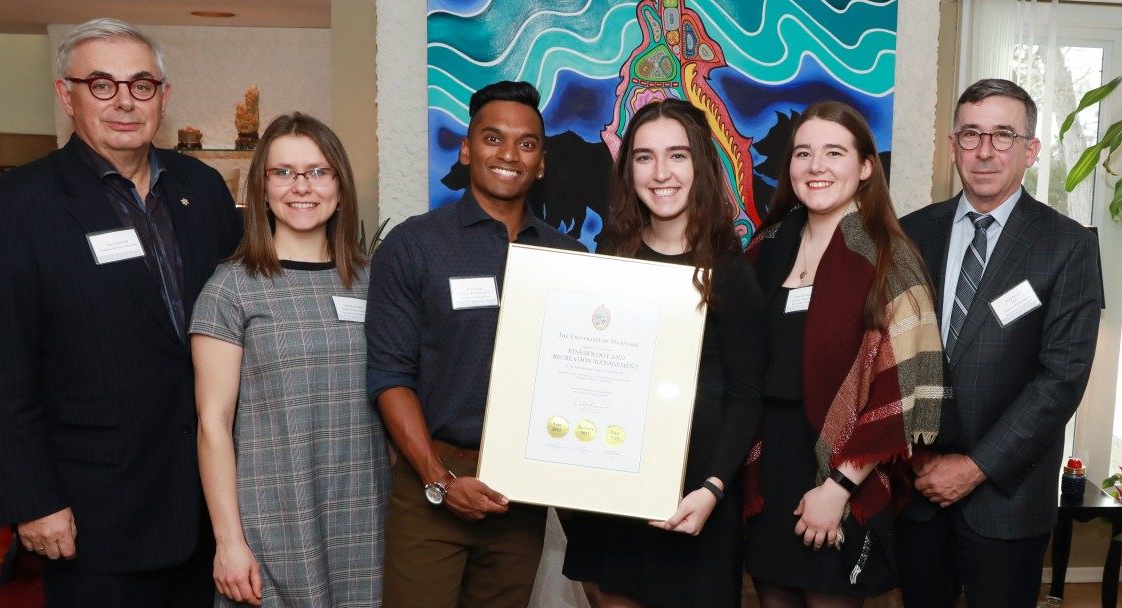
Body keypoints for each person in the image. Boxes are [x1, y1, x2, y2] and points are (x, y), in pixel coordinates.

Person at [0, 18, 242, 607]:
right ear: (66, 95)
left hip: (209, 502)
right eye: (102, 85)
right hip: (94, 511)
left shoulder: (202, 188)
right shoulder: (7, 211)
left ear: (164, 95)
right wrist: (32, 500)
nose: (125, 102)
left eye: (142, 84)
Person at [365, 80, 585, 607]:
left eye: (526, 143)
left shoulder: (569, 258)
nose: (509, 154)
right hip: (431, 486)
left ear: (542, 162)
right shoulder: (414, 245)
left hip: (521, 496)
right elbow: (389, 377)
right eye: (493, 138)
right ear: (466, 149)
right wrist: (439, 480)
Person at [896, 78, 1103, 608]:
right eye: (971, 135)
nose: (985, 151)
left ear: (1030, 150)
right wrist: (917, 457)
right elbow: (888, 350)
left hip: (1008, 498)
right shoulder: (911, 232)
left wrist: (973, 468)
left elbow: (1061, 379)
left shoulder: (1068, 244)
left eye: (1003, 135)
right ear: (952, 146)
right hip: (916, 492)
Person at [558, 99, 764, 608]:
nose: (661, 172)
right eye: (645, 157)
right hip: (611, 497)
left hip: (695, 500)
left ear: (700, 165)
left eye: (677, 155)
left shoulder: (732, 272)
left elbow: (746, 396)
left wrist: (712, 489)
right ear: (627, 170)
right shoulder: (608, 262)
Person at [741, 101, 945, 607]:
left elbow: (909, 382)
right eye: (803, 153)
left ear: (865, 167)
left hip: (841, 468)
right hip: (769, 463)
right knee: (774, 600)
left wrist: (836, 488)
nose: (816, 166)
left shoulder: (888, 258)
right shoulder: (766, 248)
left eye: (834, 152)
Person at [191, 112, 389, 608]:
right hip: (273, 522)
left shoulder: (374, 282)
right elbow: (212, 424)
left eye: (318, 171)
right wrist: (228, 543)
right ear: (262, 188)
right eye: (283, 172)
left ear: (340, 186)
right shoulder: (230, 289)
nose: (302, 186)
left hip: (366, 516)